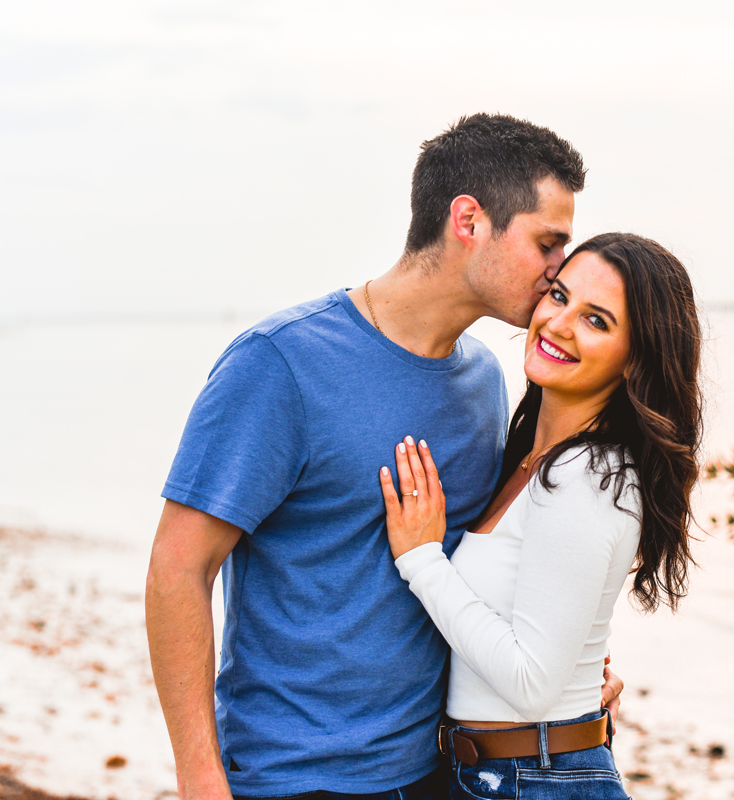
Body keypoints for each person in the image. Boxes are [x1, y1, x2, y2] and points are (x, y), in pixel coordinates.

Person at [144, 113, 624, 800]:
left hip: (442, 773)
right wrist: (200, 780)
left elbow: (484, 565)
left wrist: (570, 665)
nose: (559, 273)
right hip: (293, 778)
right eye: (548, 244)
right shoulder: (280, 364)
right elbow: (177, 568)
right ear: (469, 220)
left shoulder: (484, 382)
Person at [378, 233, 702, 798]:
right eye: (558, 296)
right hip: (502, 773)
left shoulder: (589, 474)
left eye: (597, 321)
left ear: (635, 361)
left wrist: (422, 559)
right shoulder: (532, 458)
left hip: (532, 778)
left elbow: (530, 683)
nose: (559, 324)